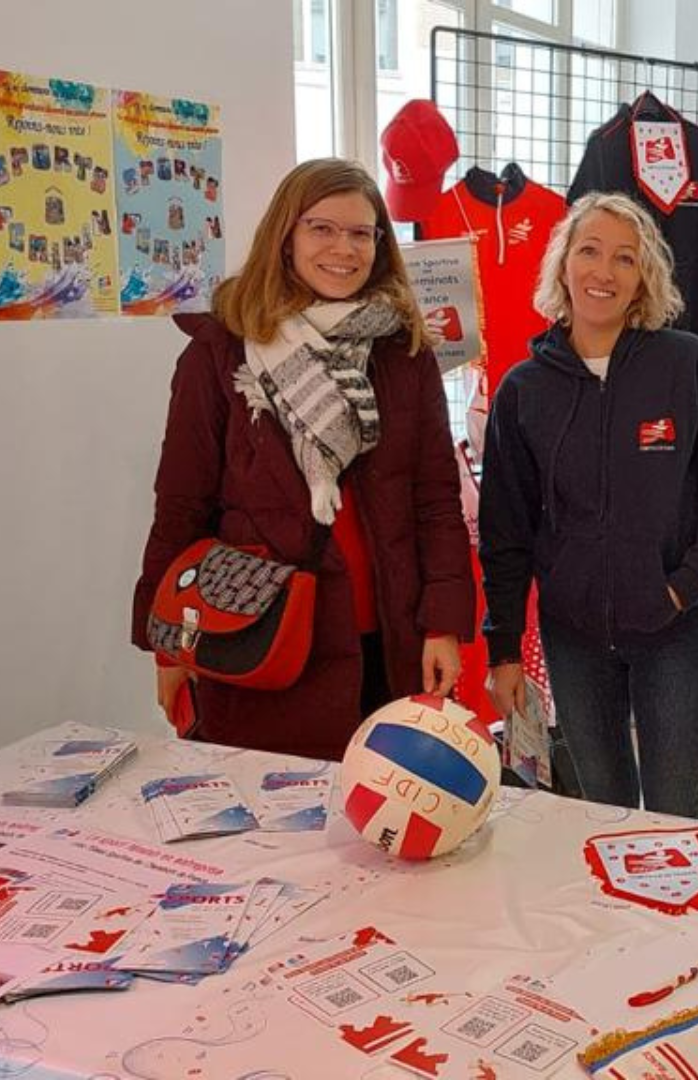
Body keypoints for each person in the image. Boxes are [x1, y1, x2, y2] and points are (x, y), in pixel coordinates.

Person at [132, 158, 475, 760]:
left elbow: (436, 501)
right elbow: (181, 505)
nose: (344, 248)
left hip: (388, 642)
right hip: (259, 638)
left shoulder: (403, 351)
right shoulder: (221, 352)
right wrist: (168, 645)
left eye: (362, 233)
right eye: (322, 228)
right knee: (268, 833)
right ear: (285, 236)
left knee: (373, 829)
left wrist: (443, 623)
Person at [478, 192, 698, 816]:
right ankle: (610, 918)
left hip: (674, 633)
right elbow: (505, 533)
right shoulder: (524, 390)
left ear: (643, 278)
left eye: (624, 259)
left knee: (672, 813)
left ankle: (673, 917)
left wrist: (684, 587)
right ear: (563, 266)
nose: (603, 272)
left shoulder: (688, 365)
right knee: (598, 809)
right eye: (589, 251)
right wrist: (502, 650)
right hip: (574, 640)